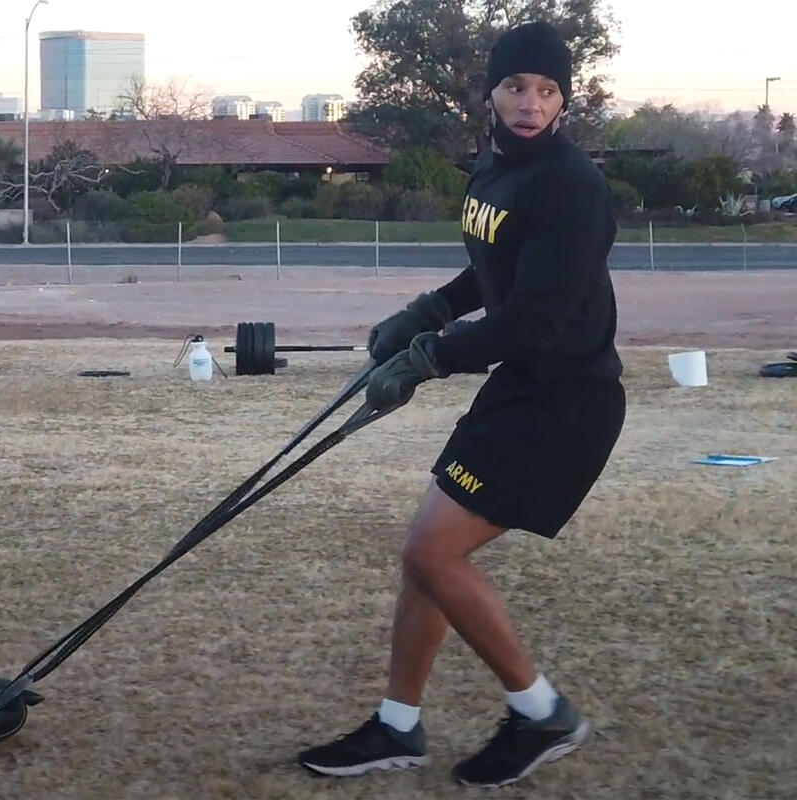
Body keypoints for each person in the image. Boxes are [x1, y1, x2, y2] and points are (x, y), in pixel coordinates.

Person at [296, 20, 626, 788]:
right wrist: (427, 312)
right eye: (517, 86)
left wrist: (427, 359)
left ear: (564, 102)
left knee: (430, 554)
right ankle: (397, 728)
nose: (531, 103)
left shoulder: (573, 188)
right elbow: (493, 270)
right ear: (491, 92)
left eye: (548, 91)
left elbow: (531, 318)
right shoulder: (496, 169)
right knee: (427, 563)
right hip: (521, 389)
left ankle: (542, 710)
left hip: (565, 403)